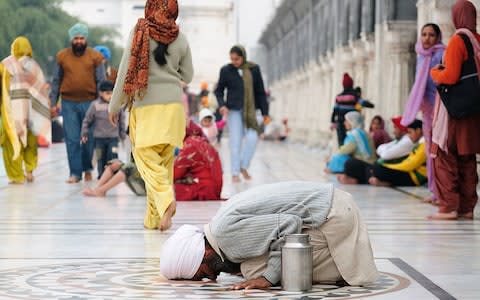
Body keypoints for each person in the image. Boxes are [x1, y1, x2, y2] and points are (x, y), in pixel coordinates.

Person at [159, 182, 379, 289]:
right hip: (337, 204)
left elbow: (290, 224)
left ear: (203, 253)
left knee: (253, 269)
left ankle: (341, 266)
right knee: (251, 265)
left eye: (202, 274)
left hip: (336, 217)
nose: (212, 278)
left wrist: (268, 278)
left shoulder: (225, 236)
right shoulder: (219, 225)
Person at [109, 0, 194, 231]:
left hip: (147, 107)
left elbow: (126, 70)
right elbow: (188, 74)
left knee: (145, 158)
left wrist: (114, 105)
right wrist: (169, 70)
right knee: (163, 163)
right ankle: (153, 219)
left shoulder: (140, 32)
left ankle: (167, 200)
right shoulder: (180, 37)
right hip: (174, 108)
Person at [429, 0, 480, 220]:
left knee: (443, 154)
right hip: (474, 108)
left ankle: (449, 206)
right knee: (467, 157)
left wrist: (435, 73)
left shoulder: (459, 41)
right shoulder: (478, 40)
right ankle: (467, 208)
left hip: (456, 112)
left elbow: (450, 76)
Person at [49, 22, 106, 183]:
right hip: (68, 104)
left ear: (85, 39)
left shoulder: (95, 57)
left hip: (90, 103)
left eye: (82, 38)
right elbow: (56, 81)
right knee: (72, 139)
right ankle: (75, 173)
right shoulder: (62, 56)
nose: (79, 41)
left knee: (88, 139)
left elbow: (101, 81)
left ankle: (87, 168)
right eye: (76, 38)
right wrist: (53, 103)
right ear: (71, 40)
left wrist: (102, 104)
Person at [401, 23, 445, 204]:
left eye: (431, 35)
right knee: (430, 152)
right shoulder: (421, 56)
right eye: (424, 34)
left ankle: (444, 194)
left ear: (438, 37)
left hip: (442, 110)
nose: (427, 38)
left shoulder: (443, 54)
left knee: (441, 152)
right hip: (427, 112)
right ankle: (434, 192)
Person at [214, 45, 269, 183]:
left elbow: (260, 92)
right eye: (232, 59)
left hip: (251, 111)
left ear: (243, 57)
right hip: (234, 111)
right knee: (235, 142)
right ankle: (235, 173)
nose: (234, 62)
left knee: (252, 138)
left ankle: (243, 166)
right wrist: (222, 105)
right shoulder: (226, 70)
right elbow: (219, 90)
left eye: (237, 59)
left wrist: (265, 113)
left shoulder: (254, 69)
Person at [0, 37, 50, 184]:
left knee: (11, 143)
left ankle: (16, 176)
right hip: (32, 113)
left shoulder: (5, 65)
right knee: (30, 143)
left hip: (11, 113)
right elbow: (41, 92)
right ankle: (29, 171)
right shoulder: (35, 66)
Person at [339, 116, 415, 185]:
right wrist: (384, 151)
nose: (393, 131)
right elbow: (380, 149)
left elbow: (385, 155)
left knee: (375, 168)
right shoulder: (399, 140)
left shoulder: (407, 140)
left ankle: (361, 180)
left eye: (395, 127)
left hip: (387, 166)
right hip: (381, 163)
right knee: (353, 163)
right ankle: (359, 179)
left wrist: (383, 151)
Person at [81, 80, 126, 178]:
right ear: (101, 93)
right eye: (107, 93)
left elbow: (121, 121)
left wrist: (123, 135)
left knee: (113, 157)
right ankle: (102, 176)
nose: (110, 96)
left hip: (113, 138)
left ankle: (113, 176)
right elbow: (87, 120)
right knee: (100, 158)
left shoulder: (117, 106)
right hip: (99, 140)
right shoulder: (95, 105)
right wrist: (84, 133)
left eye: (112, 93)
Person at [369, 120, 427, 187]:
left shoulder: (424, 145)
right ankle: (385, 182)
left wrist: (390, 167)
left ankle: (384, 182)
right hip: (410, 172)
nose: (409, 136)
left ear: (418, 131)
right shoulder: (419, 143)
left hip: (415, 177)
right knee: (377, 167)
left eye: (410, 132)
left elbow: (410, 165)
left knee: (378, 169)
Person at [174, 120, 223, 201]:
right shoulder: (204, 142)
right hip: (216, 191)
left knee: (169, 189)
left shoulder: (190, 145)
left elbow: (175, 174)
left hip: (206, 190)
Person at [331, 73, 359, 147]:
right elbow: (360, 105)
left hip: (340, 121)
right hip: (352, 122)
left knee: (341, 141)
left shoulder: (339, 96)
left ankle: (342, 155)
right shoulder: (354, 95)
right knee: (351, 140)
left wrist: (333, 122)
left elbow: (335, 110)